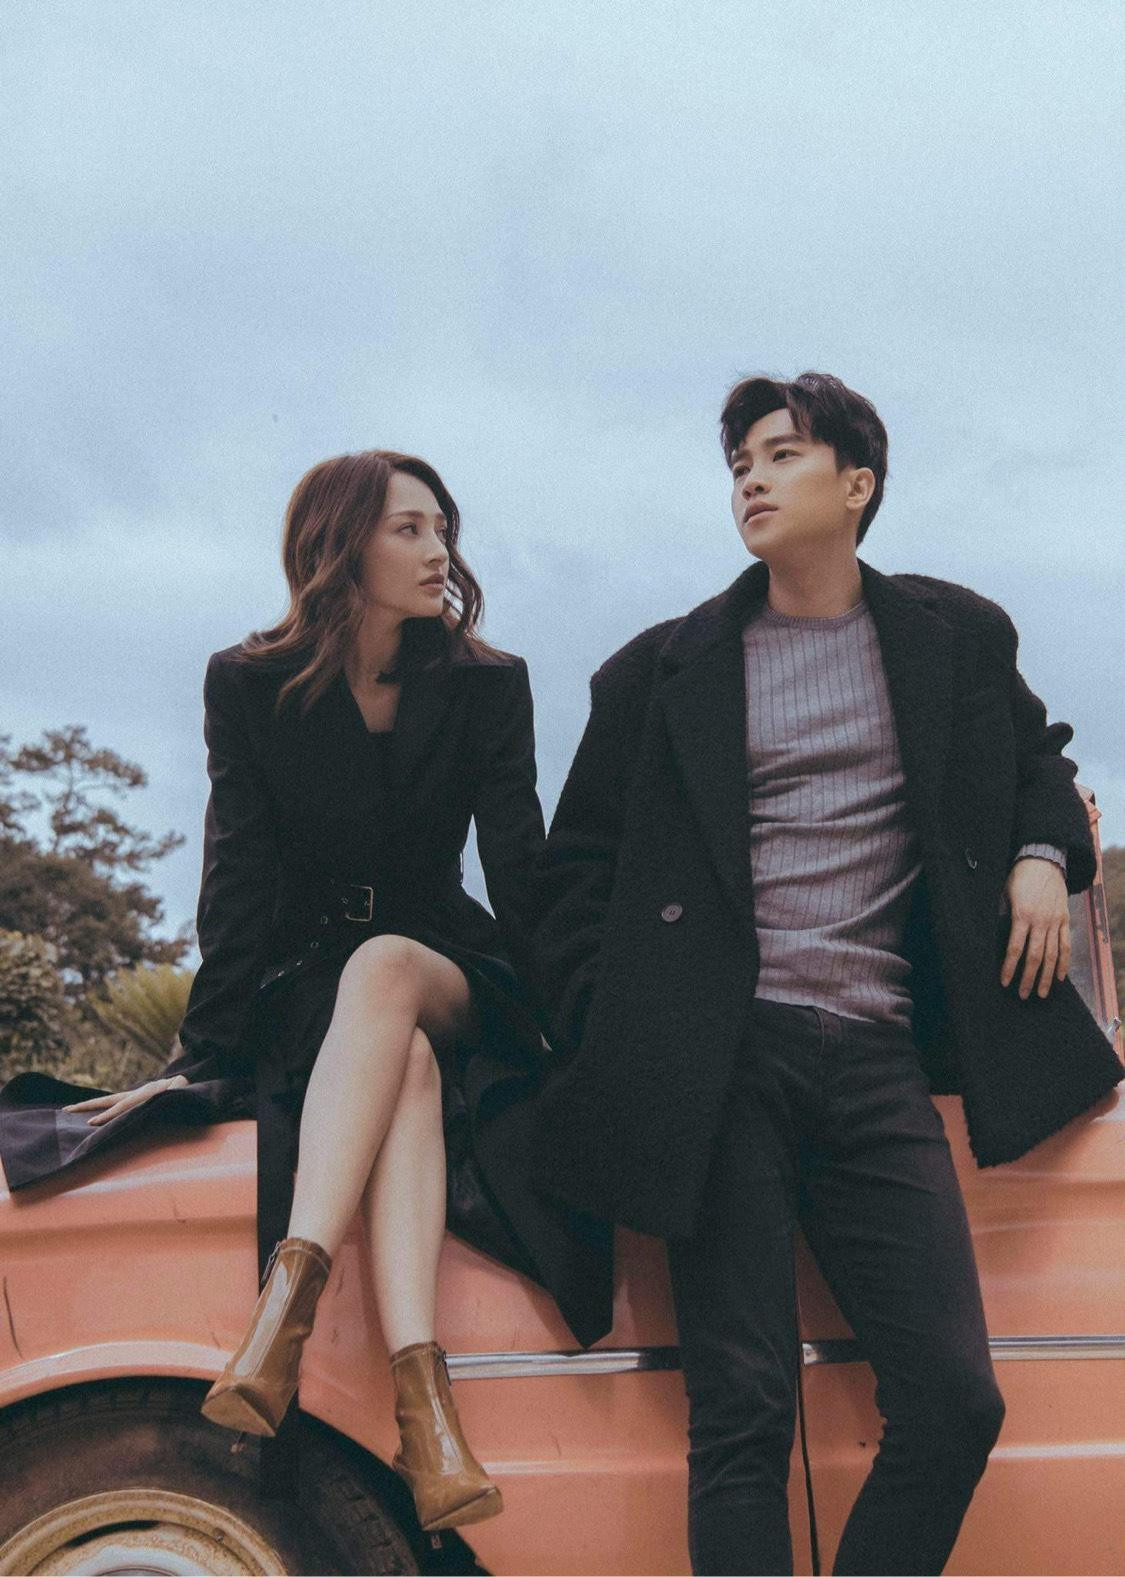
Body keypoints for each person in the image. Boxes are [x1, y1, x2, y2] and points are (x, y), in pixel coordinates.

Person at [529, 372, 1124, 1575]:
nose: (750, 478)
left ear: (857, 485)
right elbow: (571, 872)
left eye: (781, 454)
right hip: (722, 1060)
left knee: (955, 1400)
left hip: (876, 1061)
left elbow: (1041, 764)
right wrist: (618, 1023)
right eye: (739, 462)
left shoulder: (955, 636)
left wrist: (1040, 856)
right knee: (742, 1412)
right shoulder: (660, 670)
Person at [0, 449, 611, 1533]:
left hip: (445, 959)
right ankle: (424, 1406)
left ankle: (285, 1306)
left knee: (389, 974)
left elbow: (519, 868)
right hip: (308, 979)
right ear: (341, 547)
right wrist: (202, 1053)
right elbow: (236, 878)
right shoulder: (248, 683)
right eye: (409, 529)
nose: (439, 550)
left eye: (442, 528)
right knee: (398, 1056)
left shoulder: (486, 681)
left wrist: (577, 1027)